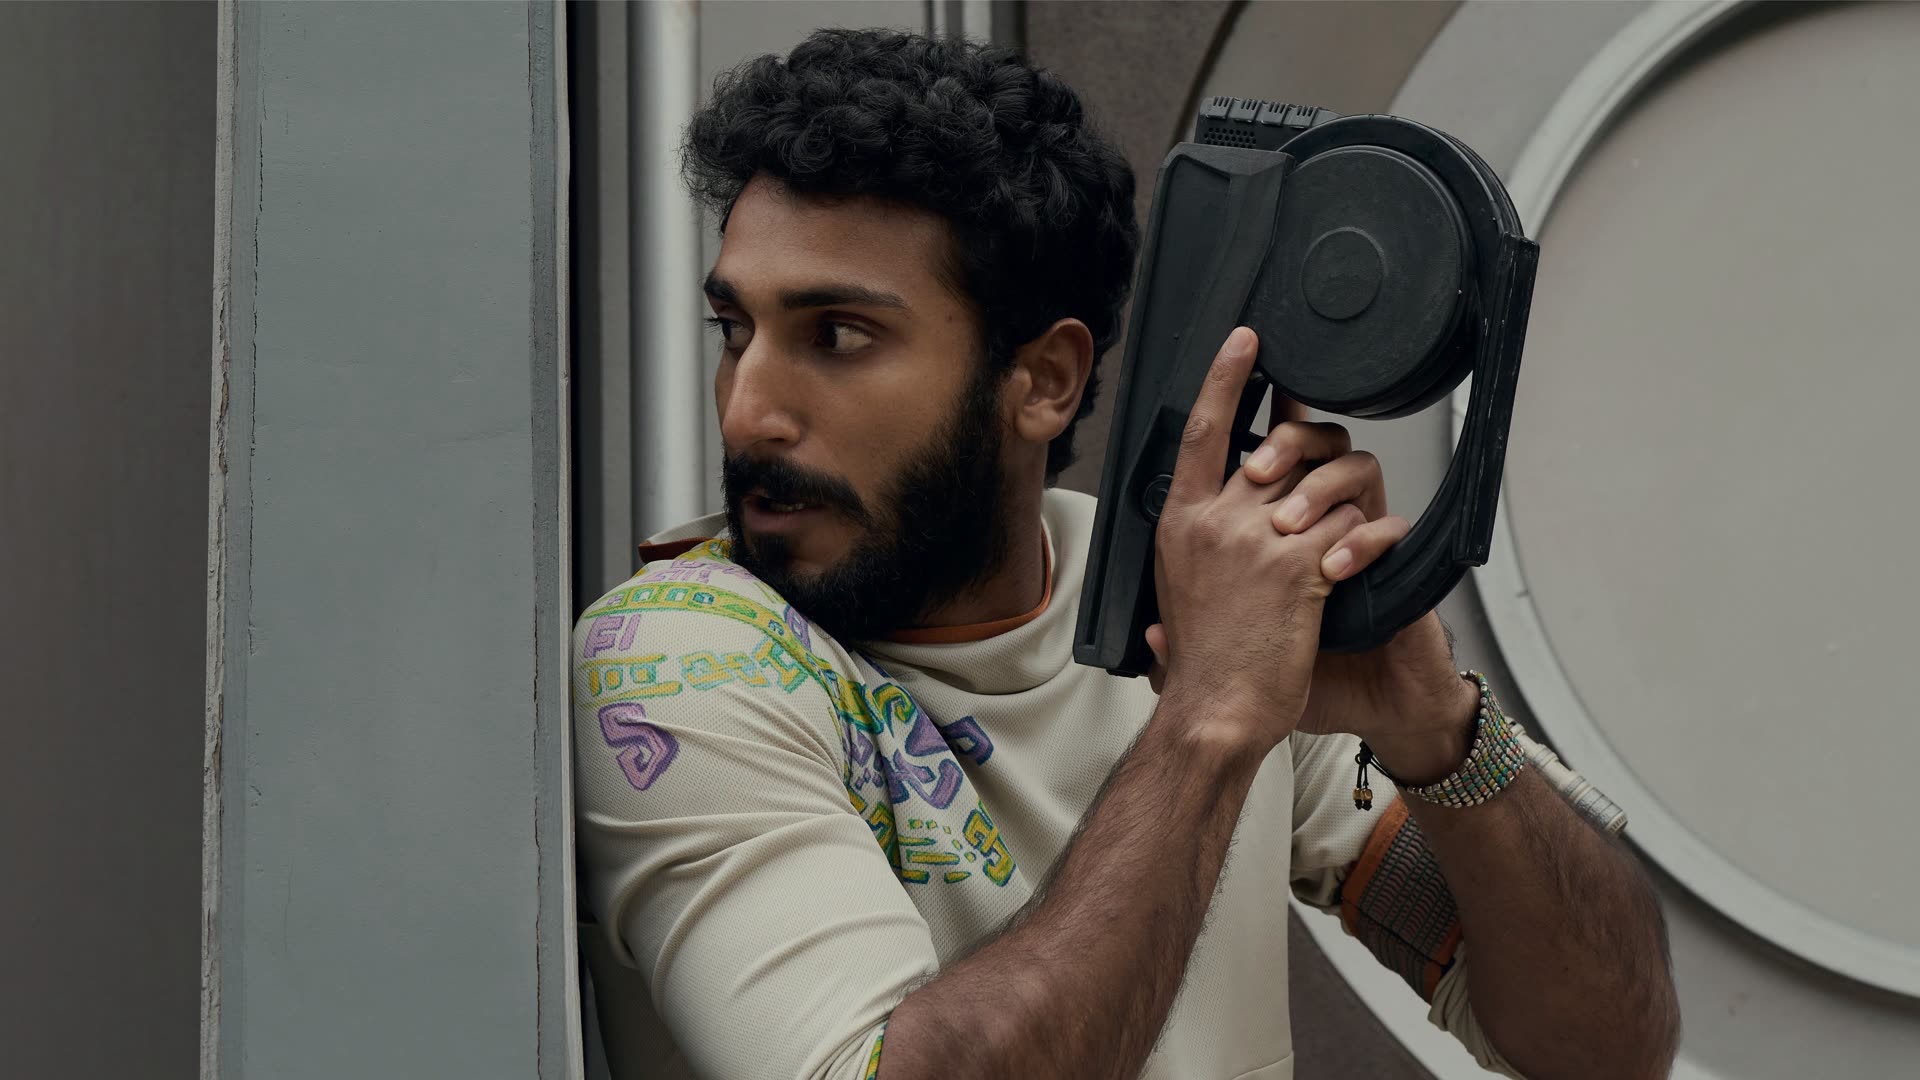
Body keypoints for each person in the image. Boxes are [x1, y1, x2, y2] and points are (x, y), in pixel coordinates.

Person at [572, 28, 1680, 1080]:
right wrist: (1208, 720)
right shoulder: (678, 662)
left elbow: (1604, 1049)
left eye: (838, 336)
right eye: (735, 331)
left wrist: (1435, 730)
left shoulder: (1183, 600)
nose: (748, 410)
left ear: (1044, 381)